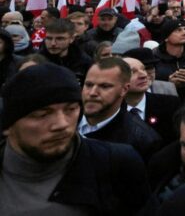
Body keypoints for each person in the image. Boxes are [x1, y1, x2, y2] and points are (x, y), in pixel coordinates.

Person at [0, 63, 151, 214]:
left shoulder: (116, 164)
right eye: (42, 114)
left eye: (71, 109)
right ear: (8, 126)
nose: (61, 124)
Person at [79, 55, 163, 161]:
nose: (92, 93)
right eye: (89, 85)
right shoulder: (64, 119)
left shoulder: (143, 140)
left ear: (124, 89)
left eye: (105, 86)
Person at [123, 56, 181, 145]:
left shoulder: (170, 104)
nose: (143, 75)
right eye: (133, 72)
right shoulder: (108, 110)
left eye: (143, 69)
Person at [36, 18, 92, 83]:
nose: (53, 43)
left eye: (60, 39)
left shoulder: (84, 62)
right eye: (49, 38)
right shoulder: (36, 62)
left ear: (71, 39)